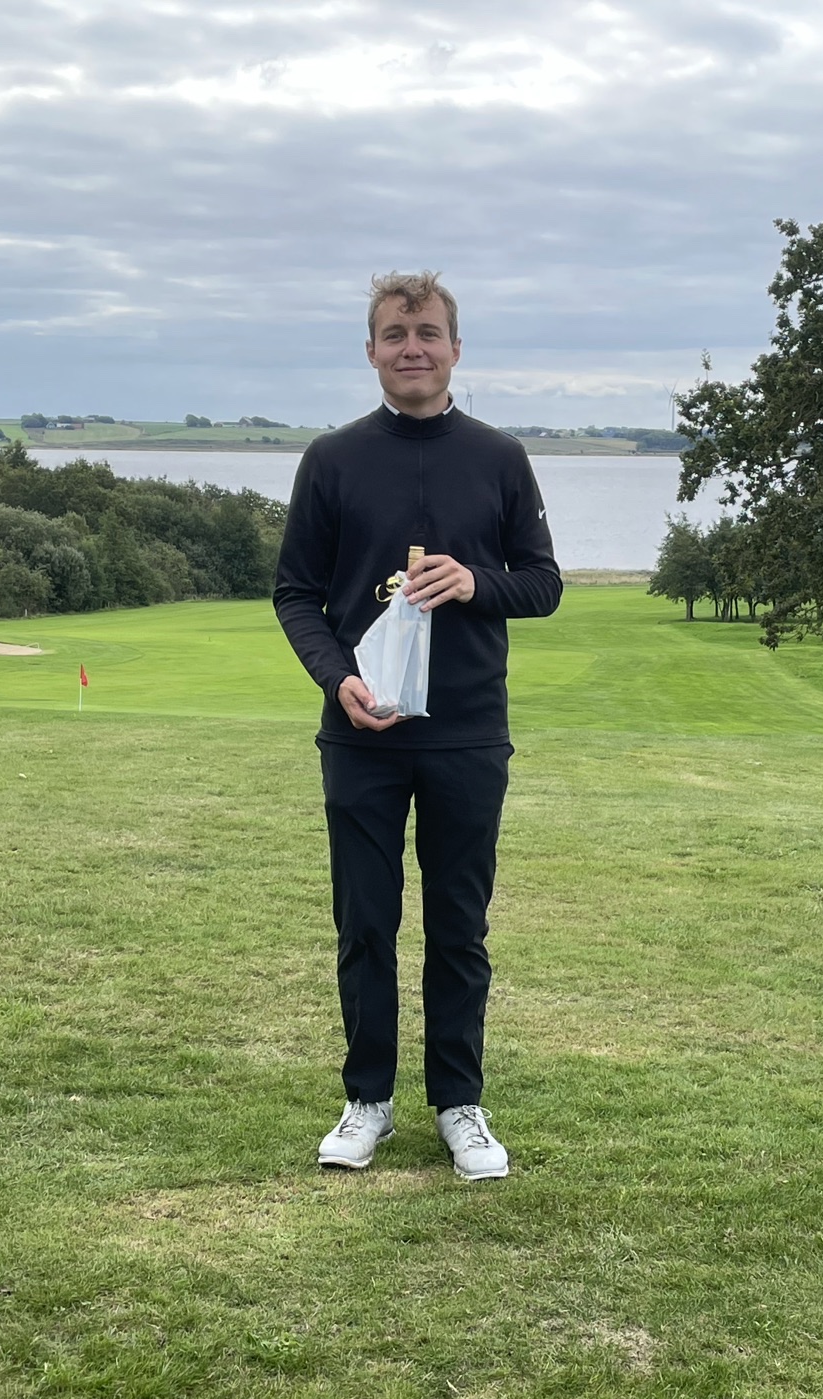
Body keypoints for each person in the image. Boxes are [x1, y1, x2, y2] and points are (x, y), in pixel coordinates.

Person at [273, 271, 561, 1181]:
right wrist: (338, 680)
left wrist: (476, 582)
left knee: (458, 928)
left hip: (468, 735)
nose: (413, 348)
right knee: (365, 923)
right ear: (371, 351)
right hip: (362, 733)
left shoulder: (499, 458)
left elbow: (543, 584)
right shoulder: (333, 460)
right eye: (395, 334)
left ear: (455, 349)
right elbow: (296, 594)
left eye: (428, 333)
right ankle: (368, 1101)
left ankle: (459, 1104)